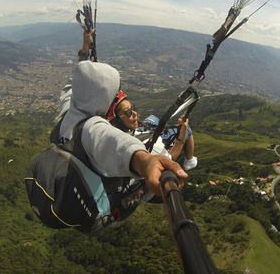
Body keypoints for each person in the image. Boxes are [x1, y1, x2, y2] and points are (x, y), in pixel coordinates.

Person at [52, 29, 188, 231]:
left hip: (67, 190)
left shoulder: (67, 109)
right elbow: (116, 144)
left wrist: (84, 51)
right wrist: (145, 160)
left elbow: (72, 86)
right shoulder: (93, 128)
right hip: (101, 213)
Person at [107, 92, 198, 170]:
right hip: (150, 142)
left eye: (133, 108)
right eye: (128, 112)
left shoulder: (111, 133)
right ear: (117, 121)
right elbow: (170, 160)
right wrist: (183, 132)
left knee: (152, 118)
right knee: (187, 129)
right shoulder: (148, 146)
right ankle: (189, 161)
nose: (135, 113)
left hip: (137, 133)